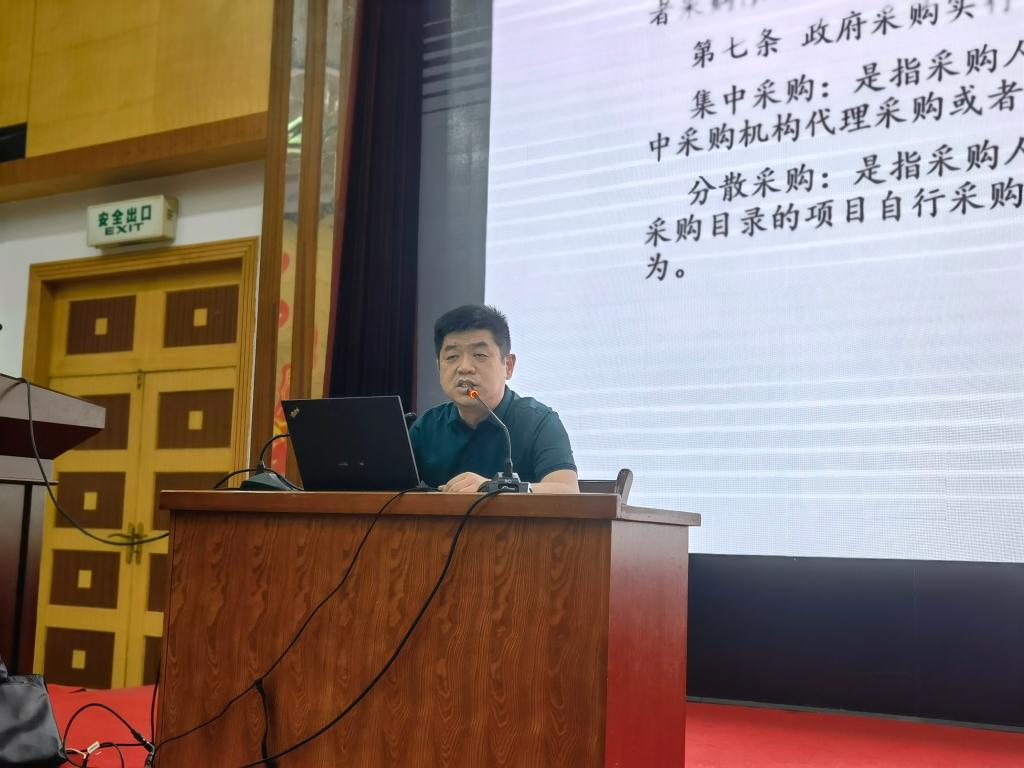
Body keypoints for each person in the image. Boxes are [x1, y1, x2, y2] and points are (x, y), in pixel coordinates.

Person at [410, 304, 580, 494]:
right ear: (439, 367)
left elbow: (567, 491)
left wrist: (494, 487)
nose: (464, 367)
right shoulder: (427, 426)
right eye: (452, 356)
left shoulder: (538, 421)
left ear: (508, 366)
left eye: (479, 355)